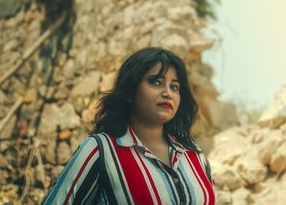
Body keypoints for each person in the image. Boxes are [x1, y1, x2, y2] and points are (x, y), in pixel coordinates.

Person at [42, 47, 215, 204]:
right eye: (155, 82)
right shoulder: (101, 150)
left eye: (175, 87)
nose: (168, 93)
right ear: (130, 91)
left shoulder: (195, 157)